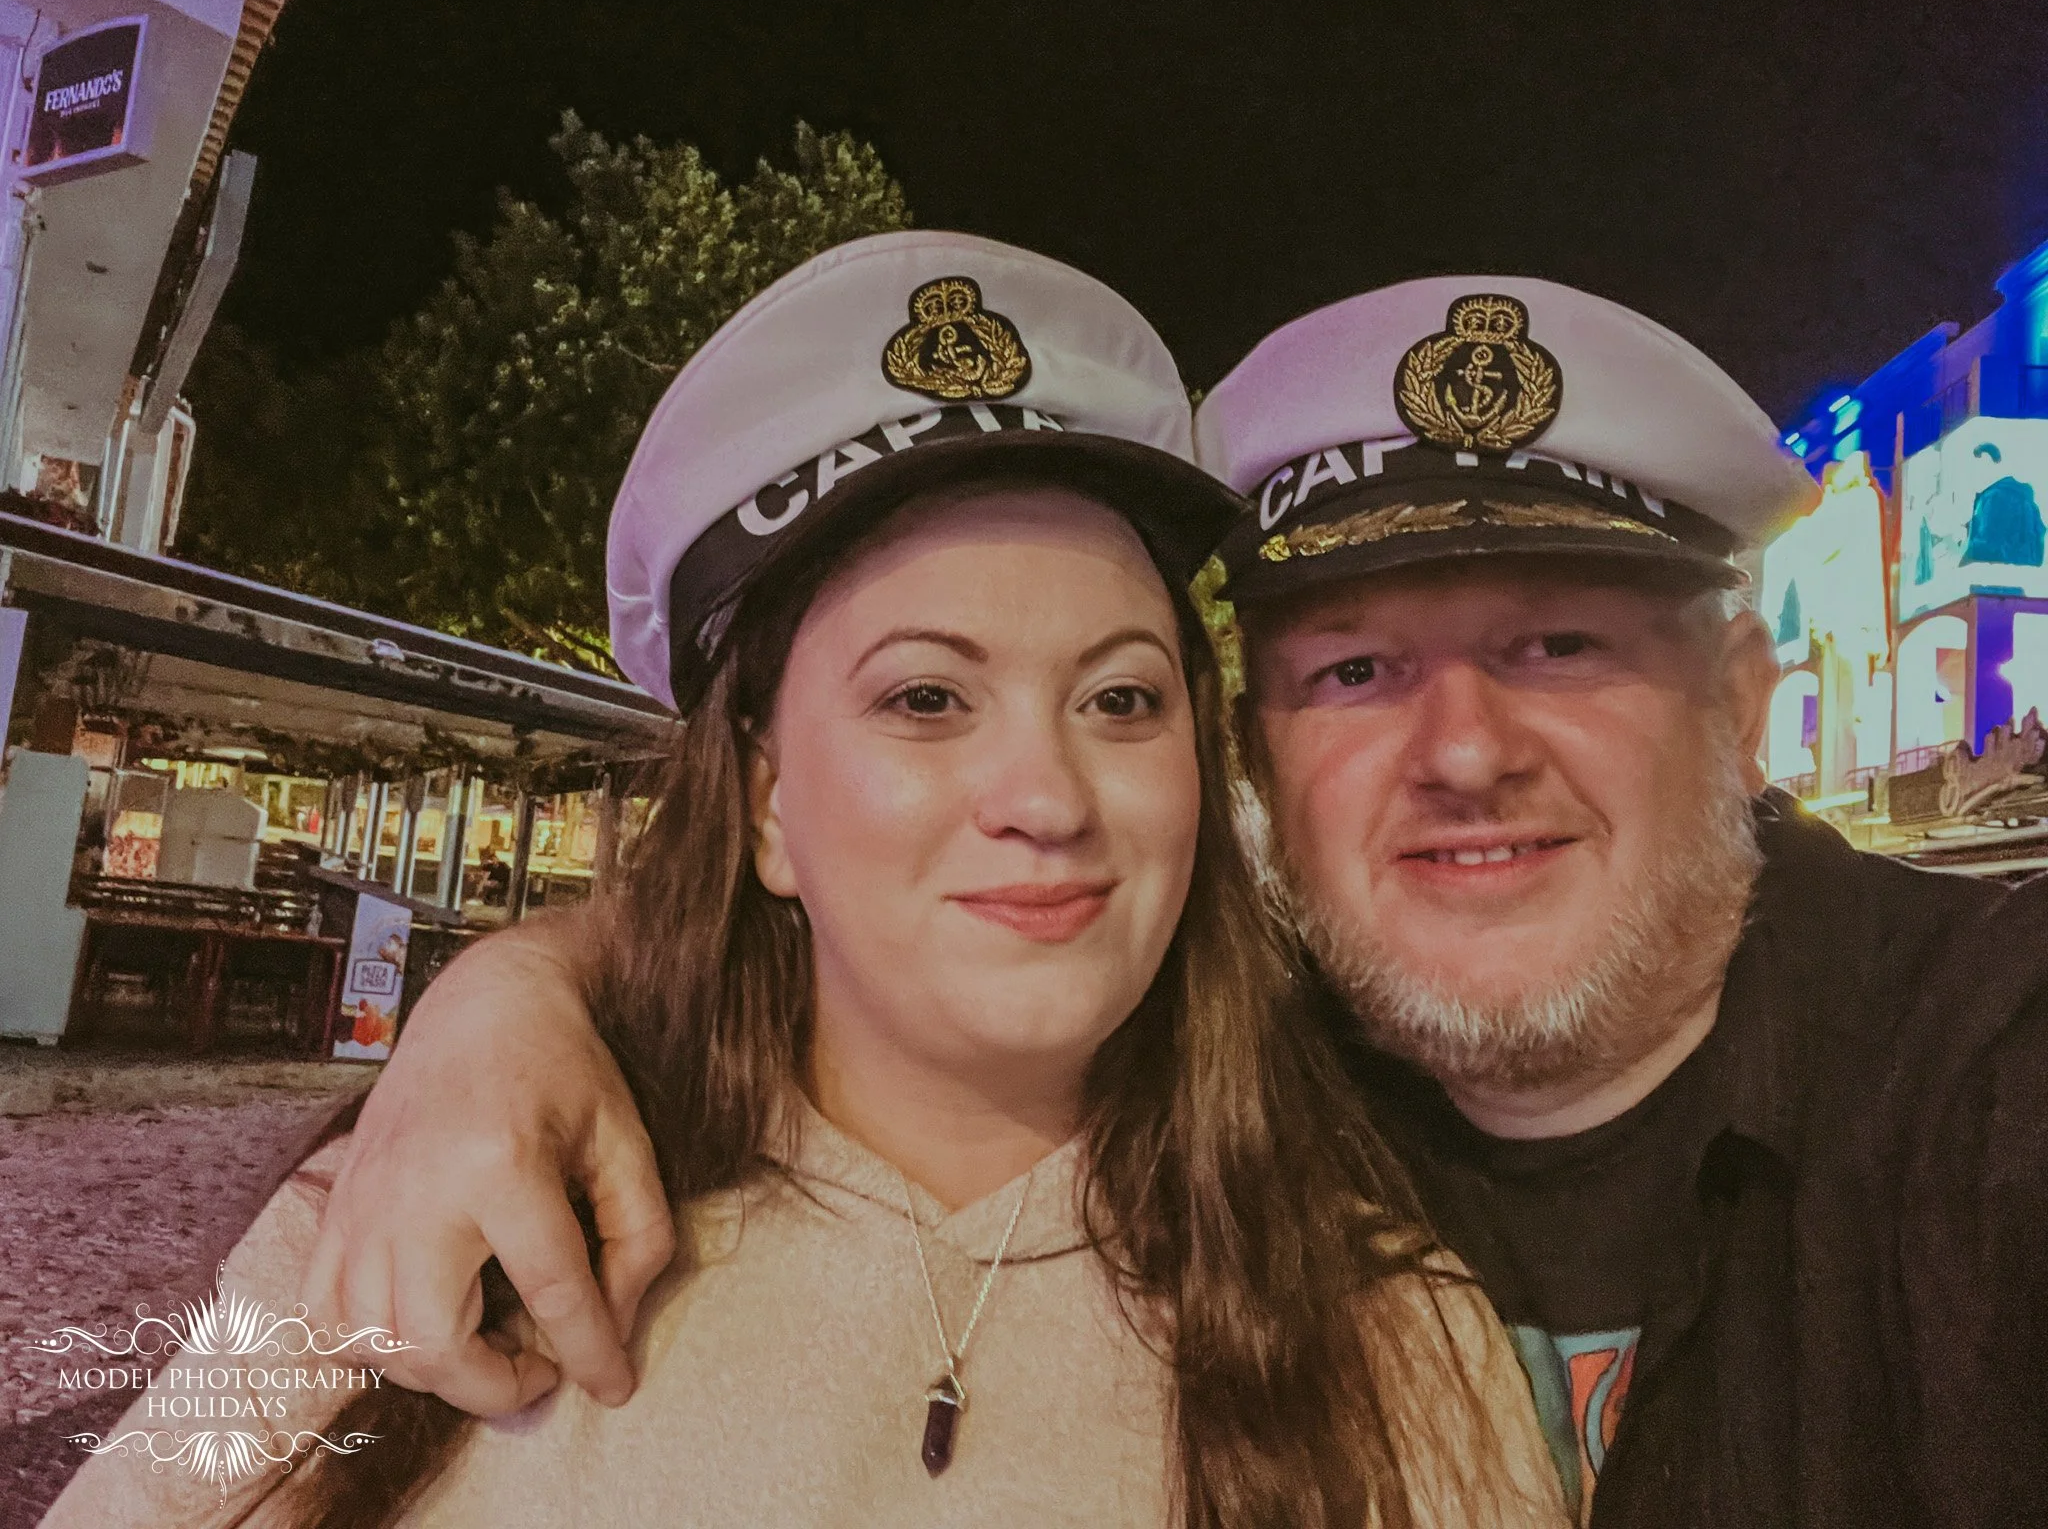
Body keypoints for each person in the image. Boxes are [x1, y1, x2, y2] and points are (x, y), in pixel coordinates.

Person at [283, 270, 2048, 1528]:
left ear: (1742, 707)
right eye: (1354, 671)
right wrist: (507, 997)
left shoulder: (1981, 1075)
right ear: (1262, 759)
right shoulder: (1252, 1093)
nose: (1462, 750)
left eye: (1559, 646)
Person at [42, 235, 1560, 1528]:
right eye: (926, 699)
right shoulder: (405, 1218)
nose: (1047, 799)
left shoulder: (1391, 1337)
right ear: (767, 803)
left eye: (1120, 699)